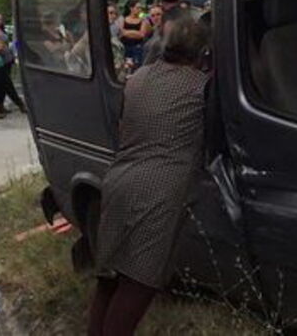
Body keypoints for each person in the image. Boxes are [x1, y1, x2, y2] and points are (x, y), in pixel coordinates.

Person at [89, 19, 211, 336]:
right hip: (159, 191)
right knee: (139, 284)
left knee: (109, 279)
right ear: (202, 53)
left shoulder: (138, 79)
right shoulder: (201, 87)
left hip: (119, 180)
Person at [0, 13, 26, 113]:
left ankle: (0, 105)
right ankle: (20, 104)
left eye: (0, 19)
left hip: (7, 58)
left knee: (3, 83)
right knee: (6, 83)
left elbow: (9, 42)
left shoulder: (2, 30)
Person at [119, 0, 150, 67]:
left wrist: (128, 32)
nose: (139, 10)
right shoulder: (123, 18)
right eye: (137, 8)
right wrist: (135, 32)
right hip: (125, 47)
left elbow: (142, 34)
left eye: (140, 8)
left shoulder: (142, 19)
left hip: (137, 47)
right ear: (131, 8)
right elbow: (122, 32)